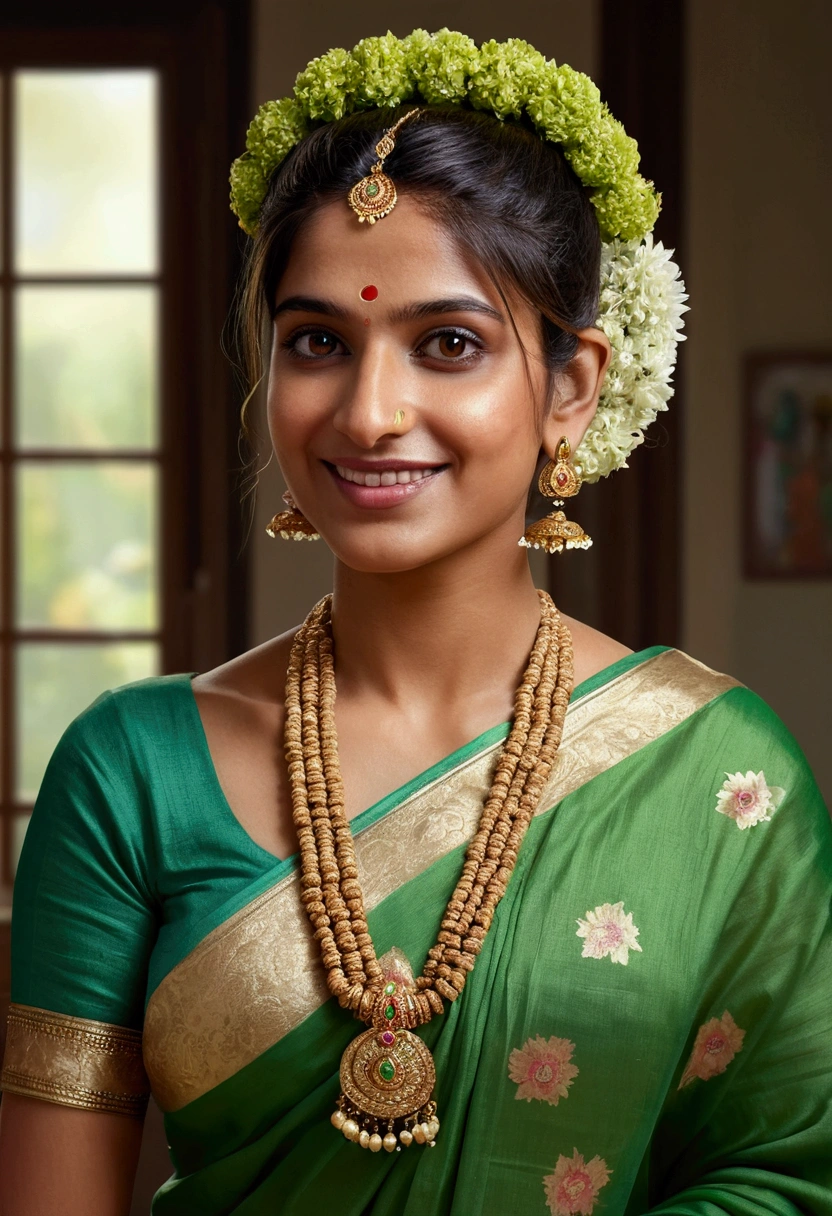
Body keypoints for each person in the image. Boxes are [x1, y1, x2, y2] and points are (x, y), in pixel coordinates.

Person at [1, 30, 830, 1216]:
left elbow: (793, 1176)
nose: (370, 410)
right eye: (317, 343)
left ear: (570, 387)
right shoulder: (131, 771)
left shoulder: (720, 779)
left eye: (448, 344)